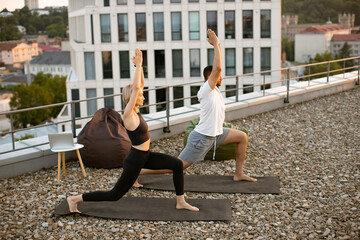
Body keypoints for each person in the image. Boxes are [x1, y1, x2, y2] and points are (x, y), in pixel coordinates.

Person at [66, 48, 199, 213]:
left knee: (177, 165)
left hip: (146, 155)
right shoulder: (128, 114)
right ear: (132, 98)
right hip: (135, 159)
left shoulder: (136, 110)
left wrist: (141, 66)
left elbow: (139, 85)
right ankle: (74, 199)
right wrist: (137, 67)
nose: (143, 96)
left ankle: (181, 201)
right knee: (114, 194)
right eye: (141, 95)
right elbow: (137, 88)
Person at [134, 29, 256, 187]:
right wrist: (216, 45)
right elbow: (217, 69)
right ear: (209, 77)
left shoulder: (217, 91)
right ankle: (141, 171)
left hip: (217, 134)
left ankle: (238, 174)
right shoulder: (205, 91)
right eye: (218, 76)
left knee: (242, 137)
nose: (221, 77)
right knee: (177, 166)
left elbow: (218, 72)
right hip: (201, 138)